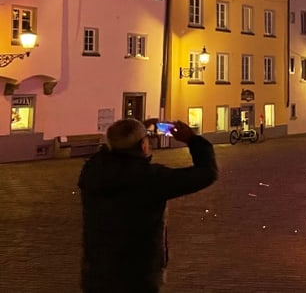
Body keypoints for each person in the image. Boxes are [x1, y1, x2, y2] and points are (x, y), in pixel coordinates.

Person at [79, 119, 218, 293]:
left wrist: (132, 131)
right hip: (138, 275)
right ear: (143, 145)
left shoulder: (93, 171)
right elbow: (207, 173)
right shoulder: (149, 178)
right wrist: (192, 140)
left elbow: (107, 151)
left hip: (96, 273)